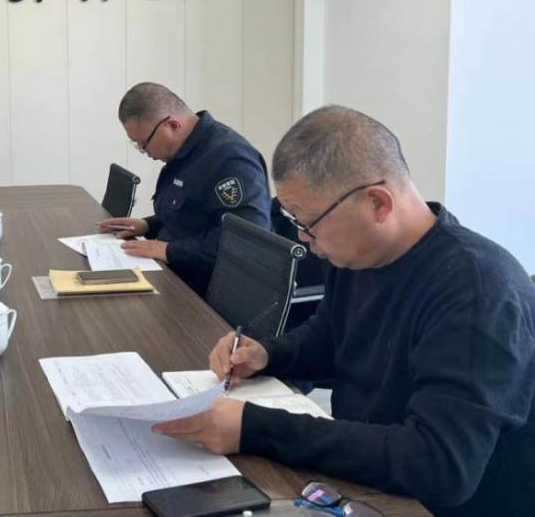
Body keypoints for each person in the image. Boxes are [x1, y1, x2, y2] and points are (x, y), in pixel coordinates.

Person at [152, 106, 535, 516]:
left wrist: (255, 428)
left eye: (308, 223)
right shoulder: (358, 255)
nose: (303, 238)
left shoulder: (477, 292)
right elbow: (331, 337)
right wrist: (267, 354)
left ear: (378, 203)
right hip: (363, 483)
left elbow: (440, 465)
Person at [97, 82, 271, 297]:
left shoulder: (230, 160)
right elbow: (190, 216)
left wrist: (169, 251)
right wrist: (147, 225)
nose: (144, 151)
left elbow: (246, 240)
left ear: (172, 125)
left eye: (144, 143)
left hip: (208, 291)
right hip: (174, 275)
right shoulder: (184, 153)